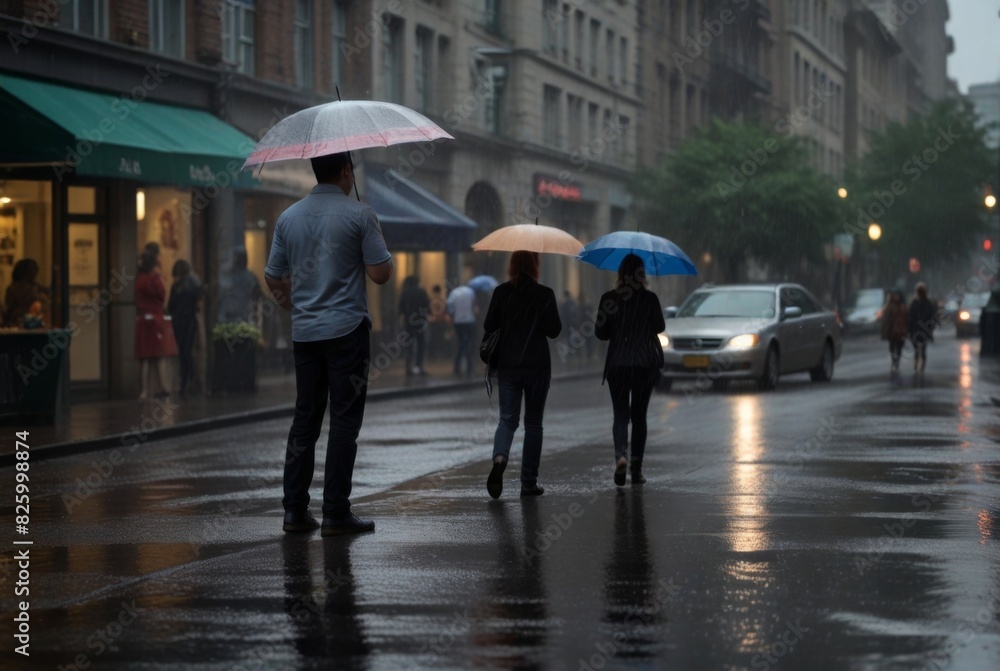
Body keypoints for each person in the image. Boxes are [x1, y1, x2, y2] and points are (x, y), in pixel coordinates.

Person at [264, 151, 392, 537]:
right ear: (347, 171)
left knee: (305, 421)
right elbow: (380, 273)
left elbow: (273, 277)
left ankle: (294, 511)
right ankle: (336, 512)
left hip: (306, 335)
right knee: (344, 422)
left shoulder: (288, 218)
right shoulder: (360, 214)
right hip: (348, 333)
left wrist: (294, 304)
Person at [484, 251, 562, 499]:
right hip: (537, 367)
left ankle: (499, 457)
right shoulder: (545, 294)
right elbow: (555, 330)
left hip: (508, 365)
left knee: (507, 420)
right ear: (535, 266)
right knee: (533, 424)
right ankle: (528, 483)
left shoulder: (501, 292)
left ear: (512, 266)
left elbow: (489, 326)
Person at [594, 254, 665, 486]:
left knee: (621, 416)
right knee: (639, 417)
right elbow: (660, 326)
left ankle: (620, 457)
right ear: (641, 274)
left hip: (618, 365)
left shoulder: (609, 299)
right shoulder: (650, 299)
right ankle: (636, 470)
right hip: (644, 365)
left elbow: (600, 333)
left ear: (620, 273)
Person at [135, 247, 176, 400]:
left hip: (142, 320)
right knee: (159, 355)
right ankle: (163, 387)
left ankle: (144, 390)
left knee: (145, 357)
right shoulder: (155, 279)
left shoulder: (139, 279)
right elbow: (162, 294)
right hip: (156, 319)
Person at [168, 259, 203, 397]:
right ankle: (191, 379)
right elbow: (198, 302)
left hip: (178, 322)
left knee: (183, 352)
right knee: (188, 352)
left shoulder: (175, 287)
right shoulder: (194, 285)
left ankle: (186, 382)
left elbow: (170, 306)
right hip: (190, 322)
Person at [217, 246, 264, 326]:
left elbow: (258, 297)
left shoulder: (250, 278)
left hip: (245, 318)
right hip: (230, 319)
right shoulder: (230, 277)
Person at [3, 258, 50, 328]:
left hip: (16, 324)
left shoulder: (12, 288)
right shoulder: (37, 289)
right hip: (25, 324)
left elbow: (9, 309)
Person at [398, 275, 430, 375]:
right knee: (421, 344)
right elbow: (427, 306)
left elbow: (401, 308)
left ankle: (408, 367)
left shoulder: (405, 293)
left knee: (409, 345)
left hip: (408, 322)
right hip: (420, 321)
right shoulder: (421, 292)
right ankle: (419, 367)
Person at [446, 282, 477, 377]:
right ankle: (469, 367)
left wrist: (452, 315)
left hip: (458, 321)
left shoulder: (454, 293)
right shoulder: (471, 292)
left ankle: (457, 366)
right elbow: (474, 305)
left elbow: (450, 306)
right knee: (468, 342)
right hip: (469, 320)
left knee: (460, 342)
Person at [908, 282, 936, 374]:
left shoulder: (926, 303)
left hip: (921, 330)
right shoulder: (915, 303)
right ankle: (918, 364)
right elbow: (911, 316)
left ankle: (920, 365)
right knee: (919, 349)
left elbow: (931, 317)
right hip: (917, 329)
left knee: (921, 349)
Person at [880, 288, 908, 374]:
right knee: (892, 348)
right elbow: (885, 318)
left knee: (899, 348)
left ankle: (897, 362)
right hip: (892, 331)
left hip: (901, 331)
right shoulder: (890, 307)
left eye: (898, 296)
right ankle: (893, 362)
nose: (896, 297)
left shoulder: (903, 307)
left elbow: (907, 318)